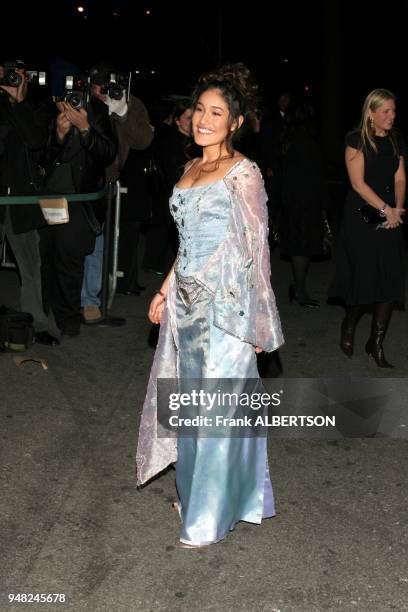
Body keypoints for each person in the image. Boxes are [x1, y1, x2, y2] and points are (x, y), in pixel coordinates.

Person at [136, 63, 284, 548]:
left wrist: (259, 322)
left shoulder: (244, 173)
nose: (203, 118)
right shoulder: (190, 168)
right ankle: (200, 494)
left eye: (216, 112)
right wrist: (163, 290)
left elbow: (256, 250)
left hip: (225, 311)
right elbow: (186, 244)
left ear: (235, 121)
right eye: (199, 109)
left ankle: (207, 516)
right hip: (185, 310)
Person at [329, 89, 405, 367]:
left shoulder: (396, 140)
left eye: (394, 111)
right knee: (365, 279)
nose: (391, 116)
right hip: (362, 215)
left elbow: (400, 178)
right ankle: (349, 325)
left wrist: (396, 208)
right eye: (385, 111)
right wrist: (386, 209)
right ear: (370, 113)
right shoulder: (356, 139)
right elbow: (358, 184)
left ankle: (377, 343)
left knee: (389, 278)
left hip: (390, 215)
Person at [40, 72, 117, 337]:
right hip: (52, 196)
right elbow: (42, 157)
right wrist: (59, 134)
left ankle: (69, 319)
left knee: (70, 259)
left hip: (80, 199)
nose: (68, 99)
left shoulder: (96, 111)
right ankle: (49, 311)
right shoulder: (51, 110)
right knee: (49, 256)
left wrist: (85, 129)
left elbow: (108, 153)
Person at [80, 63, 153, 318]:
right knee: (70, 242)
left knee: (98, 243)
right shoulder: (82, 99)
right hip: (76, 178)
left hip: (107, 180)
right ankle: (66, 297)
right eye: (97, 84)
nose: (103, 89)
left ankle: (89, 299)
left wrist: (121, 112)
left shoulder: (130, 103)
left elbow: (143, 140)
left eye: (108, 84)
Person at [0, 60, 59, 346]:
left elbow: (37, 141)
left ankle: (36, 323)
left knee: (31, 264)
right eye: (7, 72)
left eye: (19, 73)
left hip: (21, 196)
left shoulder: (38, 104)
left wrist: (19, 102)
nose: (13, 78)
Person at [280, 100, 329, 307]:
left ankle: (298, 288)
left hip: (293, 199)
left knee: (300, 247)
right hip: (304, 201)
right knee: (302, 247)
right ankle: (299, 290)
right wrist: (325, 202)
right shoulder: (305, 141)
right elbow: (315, 175)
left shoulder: (289, 139)